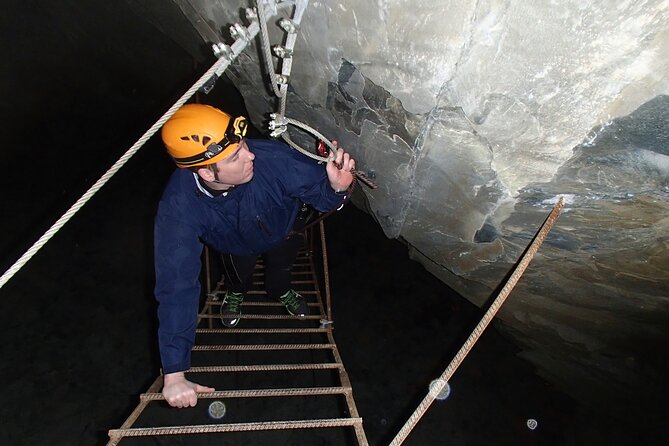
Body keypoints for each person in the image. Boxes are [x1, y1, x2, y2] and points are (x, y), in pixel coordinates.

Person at [154, 103, 355, 408]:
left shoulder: (271, 159)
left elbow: (320, 193)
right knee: (238, 277)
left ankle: (280, 291)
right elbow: (176, 285)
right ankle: (235, 292)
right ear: (207, 171)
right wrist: (174, 372)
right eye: (235, 156)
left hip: (283, 231)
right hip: (235, 247)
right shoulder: (179, 208)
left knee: (281, 270)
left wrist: (337, 188)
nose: (250, 155)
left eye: (243, 145)